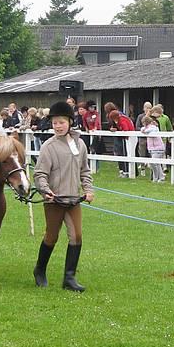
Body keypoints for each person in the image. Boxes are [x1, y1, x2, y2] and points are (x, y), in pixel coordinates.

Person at [33, 101, 94, 292]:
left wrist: (88, 189)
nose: (58, 126)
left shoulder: (80, 144)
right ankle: (40, 270)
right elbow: (40, 174)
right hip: (54, 200)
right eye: (55, 123)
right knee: (51, 237)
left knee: (76, 236)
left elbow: (85, 170)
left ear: (70, 122)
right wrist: (45, 190)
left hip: (73, 199)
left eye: (61, 122)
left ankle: (69, 278)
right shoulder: (48, 147)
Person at [109, 109, 135, 177]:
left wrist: (119, 130)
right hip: (127, 138)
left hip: (129, 138)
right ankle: (127, 171)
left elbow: (125, 129)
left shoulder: (122, 120)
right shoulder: (120, 119)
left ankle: (127, 172)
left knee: (126, 154)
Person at [141, 115, 166, 182]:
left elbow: (148, 131)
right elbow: (142, 130)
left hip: (158, 148)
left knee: (153, 163)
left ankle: (159, 177)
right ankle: (159, 177)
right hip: (153, 149)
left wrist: (144, 130)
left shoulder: (153, 127)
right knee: (156, 163)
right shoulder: (147, 128)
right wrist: (144, 129)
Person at [135, 102, 152, 176]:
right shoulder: (140, 116)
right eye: (146, 107)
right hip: (142, 138)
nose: (148, 109)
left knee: (151, 153)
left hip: (151, 138)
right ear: (144, 108)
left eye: (149, 107)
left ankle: (152, 168)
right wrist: (143, 130)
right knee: (142, 153)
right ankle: (142, 168)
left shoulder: (152, 117)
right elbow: (137, 127)